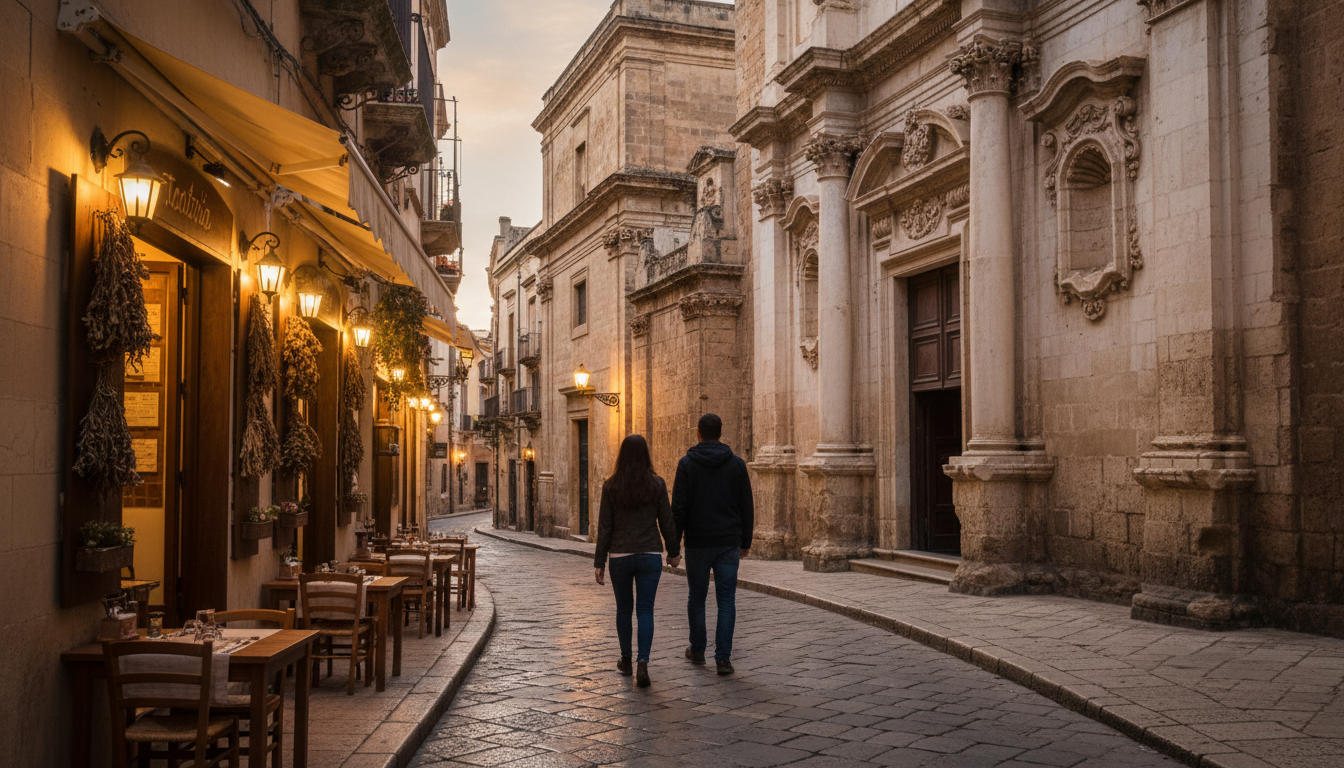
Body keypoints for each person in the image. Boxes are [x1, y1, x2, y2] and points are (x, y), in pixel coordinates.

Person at [593, 434, 681, 687]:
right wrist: (673, 552)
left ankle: (626, 660)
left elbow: (605, 527)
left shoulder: (611, 486)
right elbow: (667, 521)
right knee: (645, 610)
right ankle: (643, 662)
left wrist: (599, 561)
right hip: (650, 554)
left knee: (623, 609)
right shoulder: (657, 484)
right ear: (646, 455)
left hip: (620, 556)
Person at [671, 413, 754, 676]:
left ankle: (697, 650)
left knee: (697, 597)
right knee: (726, 600)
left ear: (698, 433)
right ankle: (723, 659)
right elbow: (746, 506)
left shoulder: (686, 464)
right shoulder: (737, 465)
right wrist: (745, 541)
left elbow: (679, 508)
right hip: (728, 541)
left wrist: (674, 547)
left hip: (697, 542)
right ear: (721, 433)